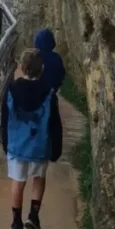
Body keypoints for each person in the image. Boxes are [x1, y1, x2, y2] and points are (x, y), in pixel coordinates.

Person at [1, 49, 58, 229]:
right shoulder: (49, 93)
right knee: (39, 179)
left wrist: (5, 142)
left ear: (22, 67)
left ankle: (16, 225)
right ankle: (33, 216)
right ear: (41, 69)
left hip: (17, 146)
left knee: (18, 182)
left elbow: (5, 118)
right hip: (40, 146)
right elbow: (55, 124)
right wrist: (56, 148)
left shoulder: (11, 90)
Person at [35, 28, 66, 163]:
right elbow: (61, 75)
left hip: (36, 94)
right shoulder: (56, 58)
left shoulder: (35, 57)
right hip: (51, 94)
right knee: (53, 124)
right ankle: (53, 151)